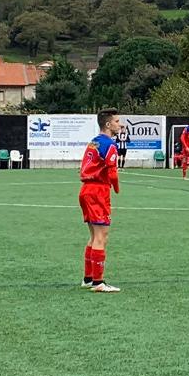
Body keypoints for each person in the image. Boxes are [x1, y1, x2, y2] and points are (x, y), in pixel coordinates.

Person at [79, 109, 122, 293]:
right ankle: (98, 283)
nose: (120, 124)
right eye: (117, 121)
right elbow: (112, 171)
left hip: (86, 190)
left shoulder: (94, 142)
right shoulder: (110, 145)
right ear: (108, 124)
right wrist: (117, 187)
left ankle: (88, 278)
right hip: (98, 191)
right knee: (101, 237)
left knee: (93, 236)